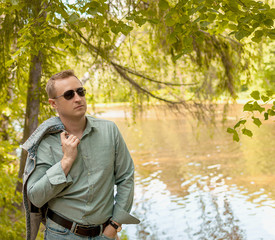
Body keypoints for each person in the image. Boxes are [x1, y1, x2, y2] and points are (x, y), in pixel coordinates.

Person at [24, 70, 139, 240]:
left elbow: (126, 177)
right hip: (62, 234)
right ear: (53, 103)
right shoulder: (45, 142)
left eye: (80, 91)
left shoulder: (109, 130)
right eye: (69, 95)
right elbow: (35, 197)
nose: (78, 98)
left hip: (106, 233)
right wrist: (66, 162)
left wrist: (114, 225)